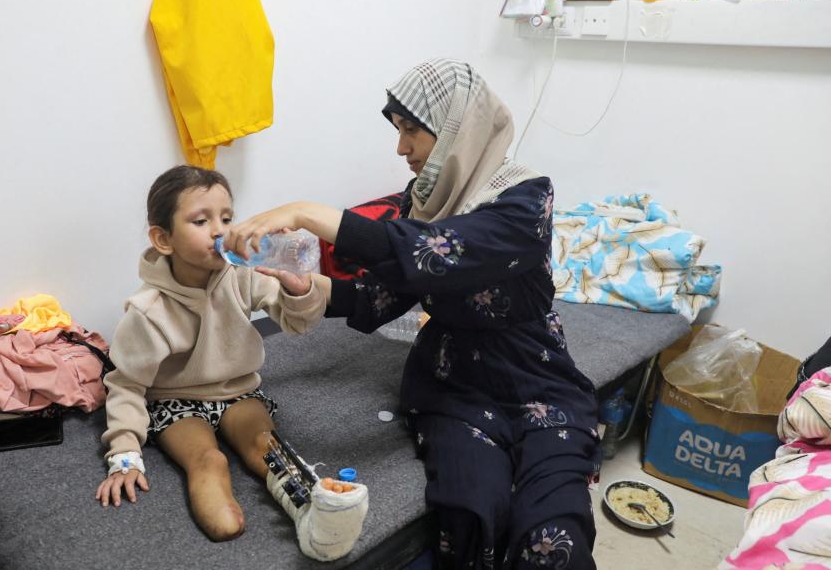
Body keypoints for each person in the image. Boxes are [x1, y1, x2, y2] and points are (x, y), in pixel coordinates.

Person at [224, 59, 601, 569]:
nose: (401, 148)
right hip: (453, 383)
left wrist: (310, 212)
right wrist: (308, 288)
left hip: (538, 377)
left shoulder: (526, 197)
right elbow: (381, 295)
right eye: (398, 131)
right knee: (467, 512)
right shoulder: (422, 201)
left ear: (454, 131)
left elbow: (439, 251)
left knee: (551, 534)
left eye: (412, 132)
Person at [94, 165, 330, 543]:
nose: (221, 231)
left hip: (238, 391)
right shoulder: (148, 310)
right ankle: (226, 524)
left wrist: (297, 289)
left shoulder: (242, 275)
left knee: (265, 447)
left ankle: (317, 514)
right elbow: (125, 384)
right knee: (209, 459)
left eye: (227, 218)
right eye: (201, 221)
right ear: (163, 239)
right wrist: (124, 453)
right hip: (175, 401)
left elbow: (297, 323)